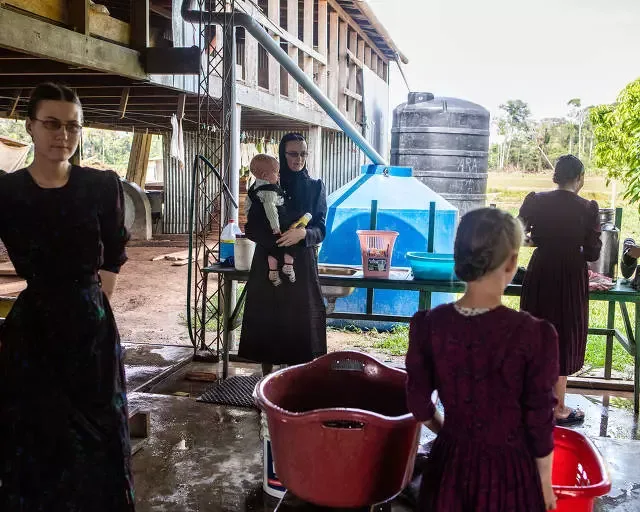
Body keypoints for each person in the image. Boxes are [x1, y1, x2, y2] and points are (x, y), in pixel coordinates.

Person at [0, 83, 134, 510]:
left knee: (101, 430)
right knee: (35, 430)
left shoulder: (100, 185)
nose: (63, 135)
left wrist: (95, 302)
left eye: (72, 126)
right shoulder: (8, 192)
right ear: (31, 128)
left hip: (91, 328)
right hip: (33, 329)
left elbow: (114, 251)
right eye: (52, 124)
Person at [406, 208, 559, 511]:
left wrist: (451, 432)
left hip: (449, 469)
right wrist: (544, 484)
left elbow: (418, 404)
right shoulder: (535, 335)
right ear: (513, 261)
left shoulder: (429, 326)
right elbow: (540, 423)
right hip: (511, 476)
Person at [519, 154, 602, 426]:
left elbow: (517, 234)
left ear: (556, 176)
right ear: (579, 179)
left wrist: (536, 239)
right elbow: (592, 251)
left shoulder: (536, 200)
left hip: (541, 269)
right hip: (570, 274)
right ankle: (557, 408)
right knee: (563, 335)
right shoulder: (588, 208)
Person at [238, 133, 327, 375]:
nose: (299, 159)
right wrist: (277, 240)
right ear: (282, 154)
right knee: (267, 327)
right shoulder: (266, 184)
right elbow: (252, 227)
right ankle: (267, 385)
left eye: (303, 154)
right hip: (269, 264)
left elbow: (320, 228)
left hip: (301, 267)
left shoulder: (314, 186)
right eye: (293, 153)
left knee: (299, 331)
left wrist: (302, 235)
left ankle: (294, 385)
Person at [245, 153, 309, 286]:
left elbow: (247, 206)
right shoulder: (269, 191)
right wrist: (276, 227)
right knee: (290, 241)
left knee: (272, 249)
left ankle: (273, 272)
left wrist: (251, 221)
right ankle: (288, 266)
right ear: (264, 175)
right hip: (273, 226)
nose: (278, 176)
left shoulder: (254, 188)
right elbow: (271, 211)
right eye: (275, 173)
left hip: (261, 229)